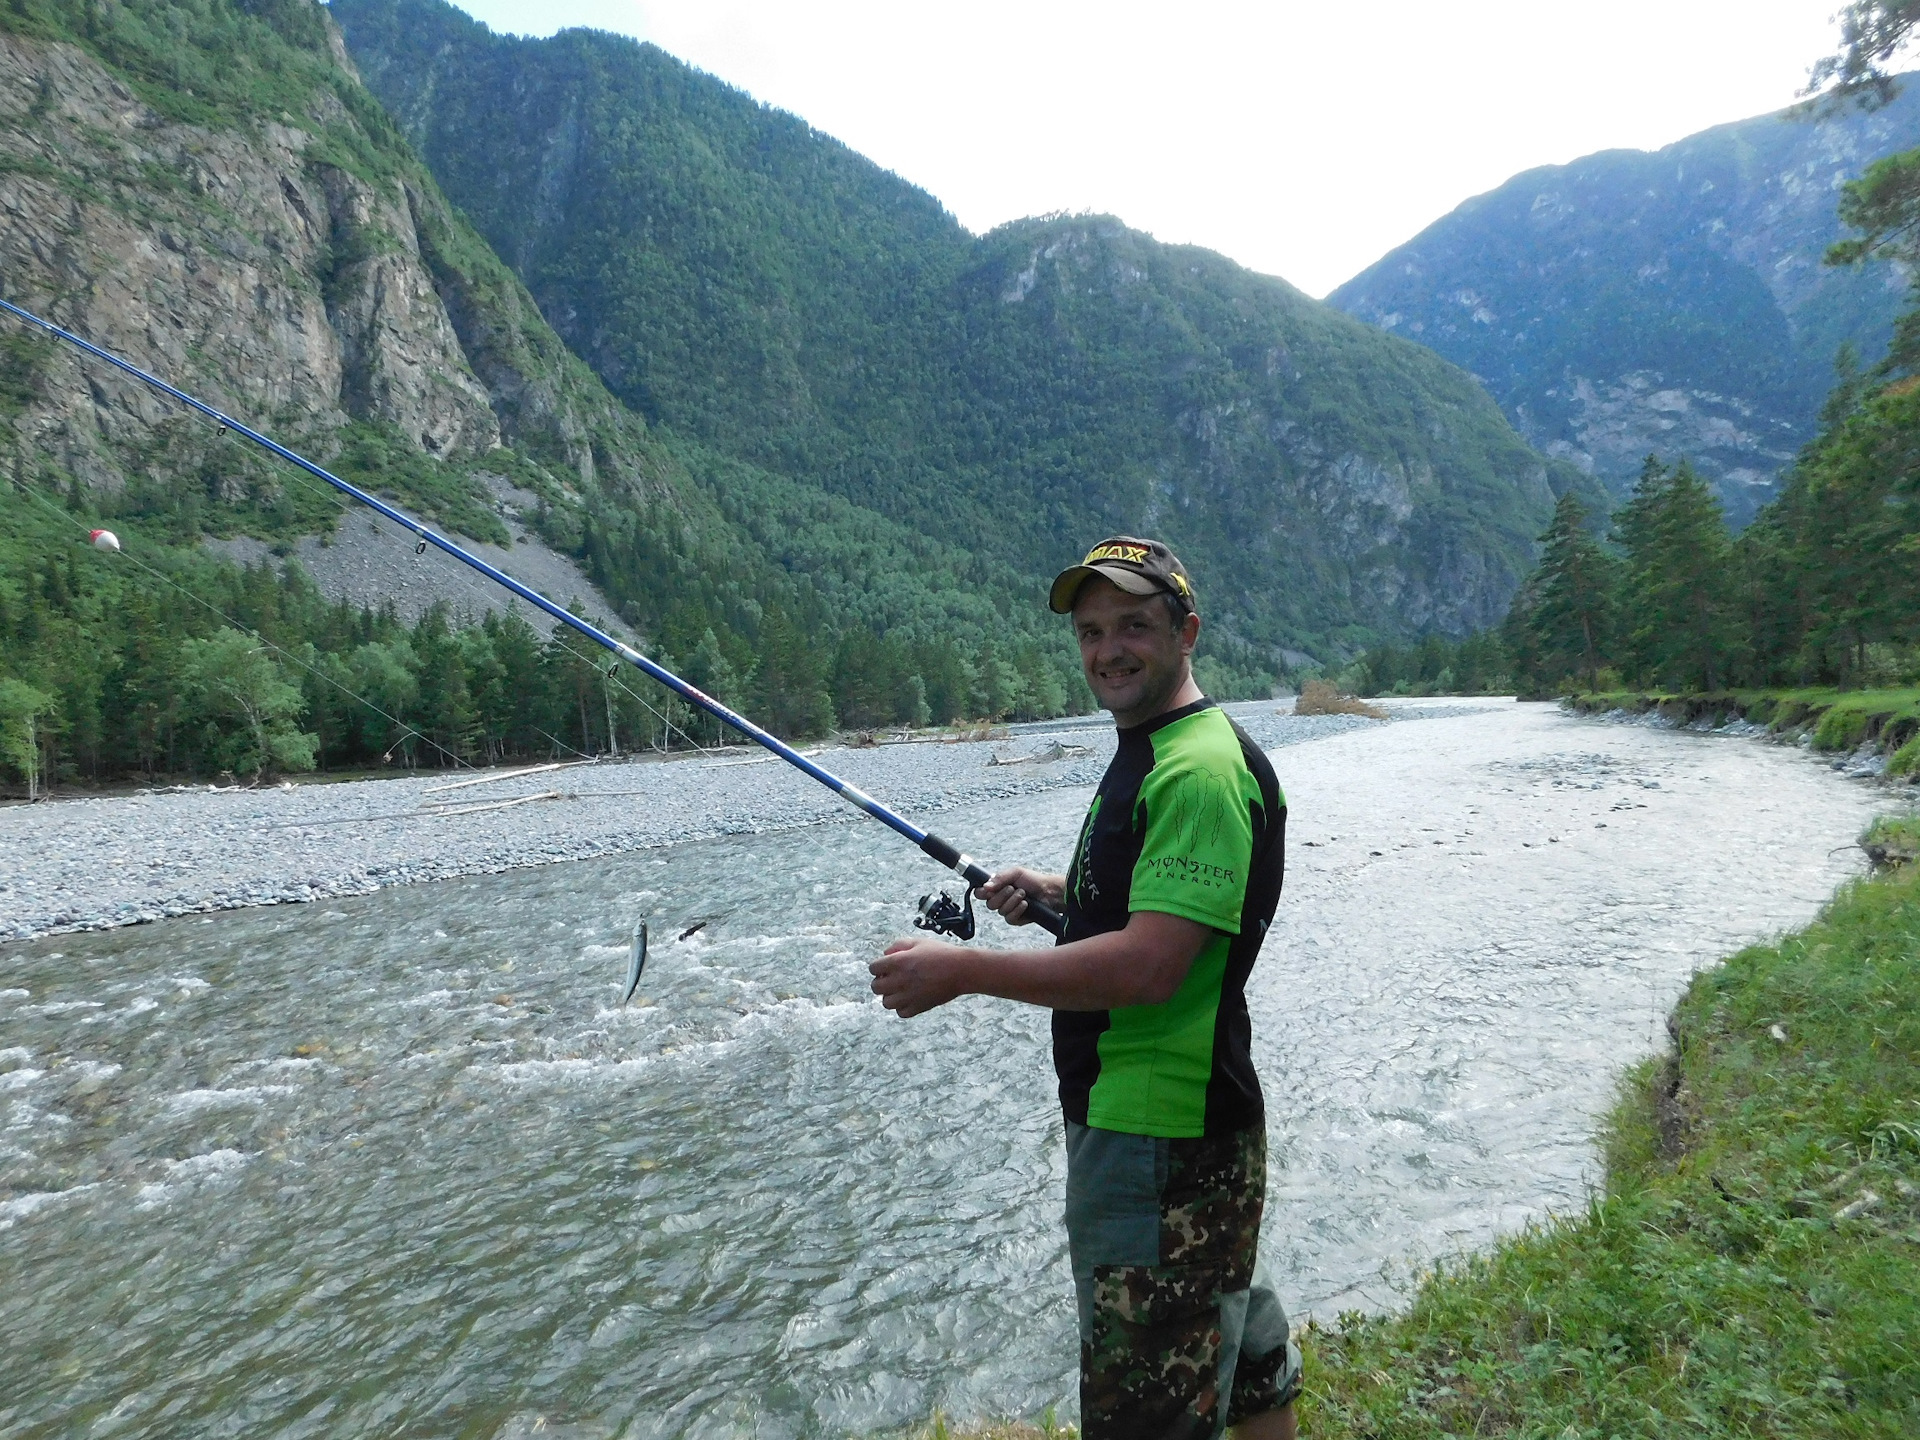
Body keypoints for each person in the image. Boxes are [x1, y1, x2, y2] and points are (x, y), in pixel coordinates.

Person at [870, 536, 1299, 1439]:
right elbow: (1161, 907)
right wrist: (1060, 897)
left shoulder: (1198, 770)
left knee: (1147, 1409)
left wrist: (966, 972)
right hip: (1189, 1125)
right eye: (1092, 630)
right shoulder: (1158, 747)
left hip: (1155, 1140)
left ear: (1187, 632)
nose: (1109, 649)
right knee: (1246, 1354)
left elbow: (1150, 965)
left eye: (1134, 626)